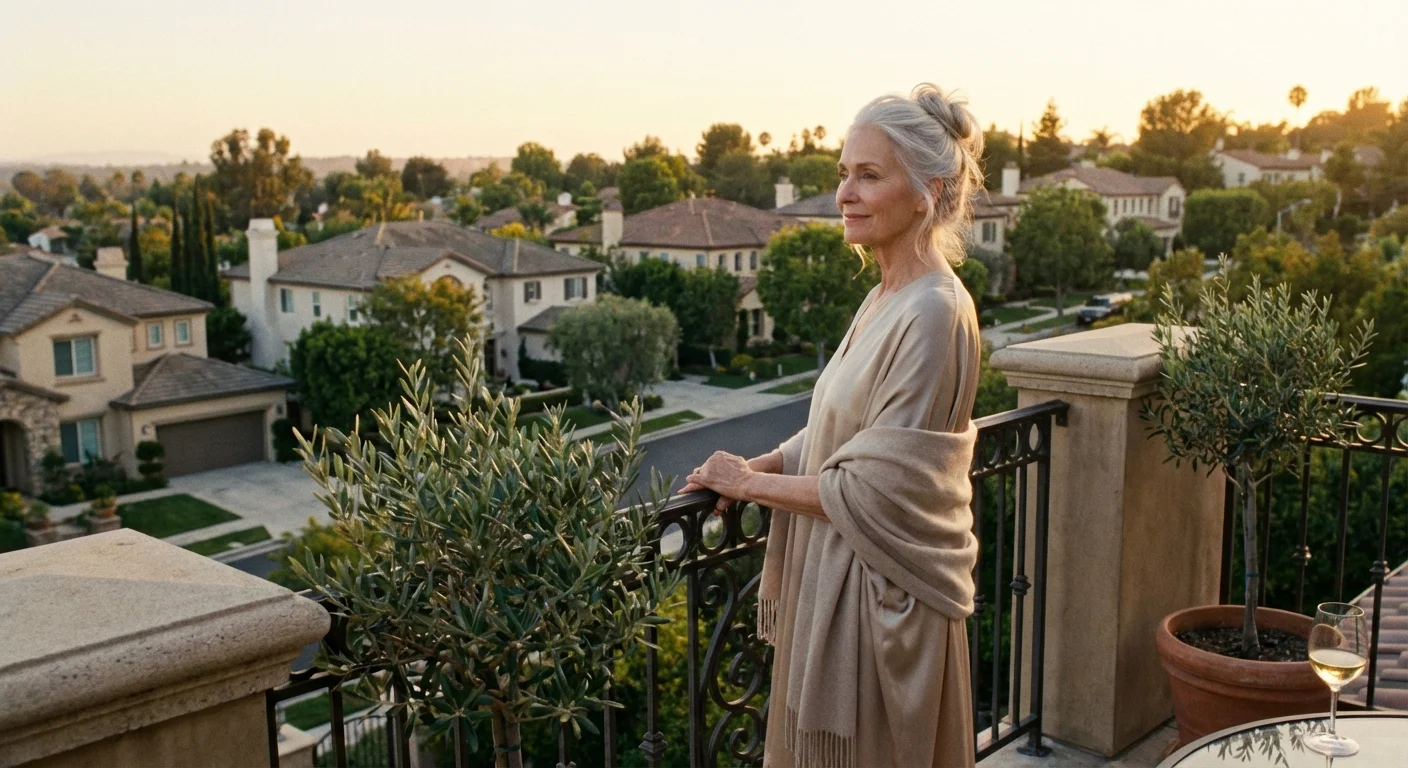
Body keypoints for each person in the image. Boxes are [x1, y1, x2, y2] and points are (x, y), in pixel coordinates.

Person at [680, 83, 985, 768]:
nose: (845, 192)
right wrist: (759, 466)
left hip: (878, 600)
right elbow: (838, 430)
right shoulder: (885, 296)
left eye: (869, 175)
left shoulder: (933, 310)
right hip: (836, 581)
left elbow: (874, 488)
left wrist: (747, 488)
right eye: (843, 173)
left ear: (927, 191)